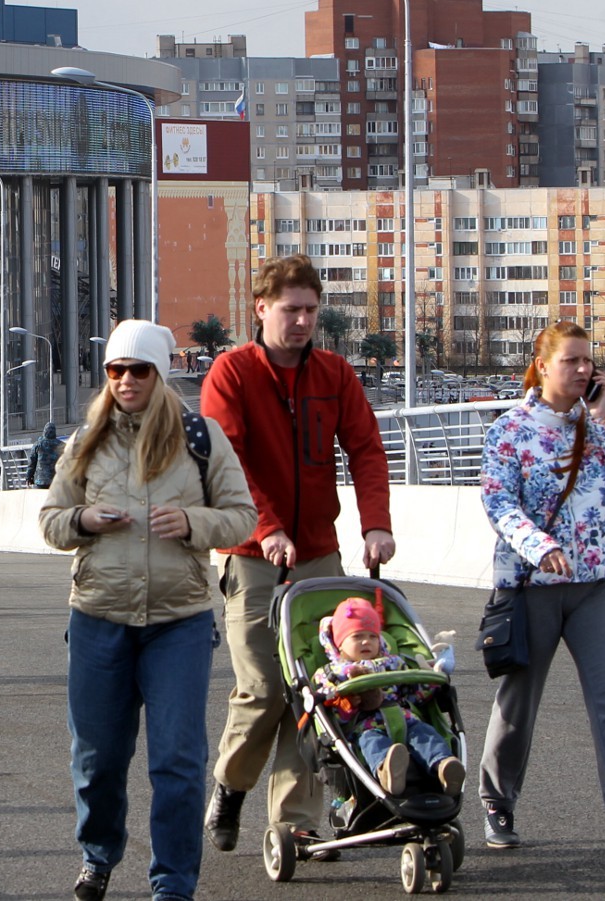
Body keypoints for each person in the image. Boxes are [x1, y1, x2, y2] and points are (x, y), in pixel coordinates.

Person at [40, 318, 256, 901]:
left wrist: (194, 523)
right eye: (116, 370)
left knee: (179, 763)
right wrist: (84, 520)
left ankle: (173, 885)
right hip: (98, 618)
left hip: (178, 622)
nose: (126, 380)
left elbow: (242, 516)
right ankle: (98, 855)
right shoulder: (86, 438)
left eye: (139, 370)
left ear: (160, 374)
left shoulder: (200, 436)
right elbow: (51, 521)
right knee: (98, 760)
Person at [197, 256, 394, 855]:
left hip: (317, 555)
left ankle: (295, 818)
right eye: (292, 310)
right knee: (263, 688)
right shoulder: (231, 374)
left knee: (318, 689)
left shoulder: (334, 373)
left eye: (311, 310)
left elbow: (365, 449)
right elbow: (226, 461)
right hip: (252, 554)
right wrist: (268, 528)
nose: (303, 320)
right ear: (261, 309)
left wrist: (376, 525)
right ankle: (230, 785)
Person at [478, 321, 605, 860]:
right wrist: (539, 546)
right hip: (532, 586)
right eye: (572, 361)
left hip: (597, 584)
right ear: (543, 366)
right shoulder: (510, 430)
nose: (584, 369)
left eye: (589, 361)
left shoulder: (597, 424)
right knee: (519, 704)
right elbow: (498, 504)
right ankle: (498, 801)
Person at [309, 598, 463, 797]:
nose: (366, 641)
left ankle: (443, 766)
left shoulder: (393, 662)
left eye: (372, 636)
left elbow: (414, 695)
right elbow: (329, 710)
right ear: (339, 643)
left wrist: (431, 681)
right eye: (357, 636)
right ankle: (386, 771)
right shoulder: (332, 672)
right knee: (372, 743)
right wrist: (347, 704)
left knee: (425, 734)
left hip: (404, 718)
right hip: (364, 725)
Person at [28, 421, 61, 489]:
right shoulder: (61, 445)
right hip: (56, 481)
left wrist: (29, 477)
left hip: (40, 481)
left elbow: (32, 463)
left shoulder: (37, 444)